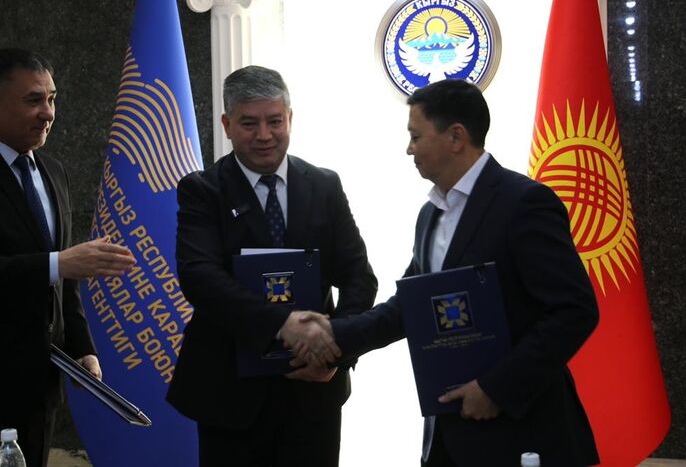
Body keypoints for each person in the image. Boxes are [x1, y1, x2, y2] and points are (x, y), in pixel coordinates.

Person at [291, 79, 600, 466]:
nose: (409, 149)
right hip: (449, 435)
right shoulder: (430, 214)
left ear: (456, 137)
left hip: (523, 434)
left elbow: (574, 310)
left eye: (416, 136)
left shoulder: (524, 203)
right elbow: (409, 308)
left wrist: (497, 388)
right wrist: (333, 335)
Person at [166, 65, 377, 467]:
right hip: (231, 395)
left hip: (315, 390)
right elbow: (200, 278)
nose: (264, 135)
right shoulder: (202, 190)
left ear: (290, 118)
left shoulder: (324, 185)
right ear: (227, 125)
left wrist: (334, 350)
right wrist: (283, 324)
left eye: (274, 121)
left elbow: (358, 276)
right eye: (249, 123)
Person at [0, 48, 136, 467]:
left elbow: (67, 278)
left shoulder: (54, 171)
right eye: (33, 100)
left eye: (52, 99)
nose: (48, 113)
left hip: (41, 389)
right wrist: (57, 263)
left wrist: (81, 348)